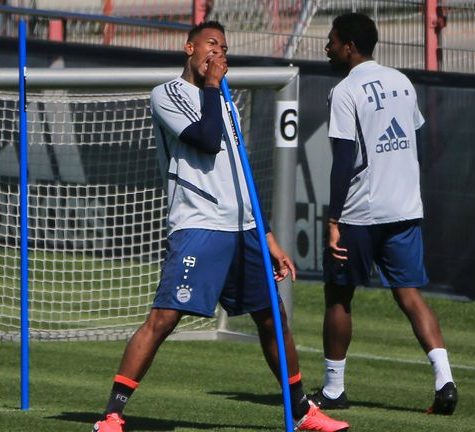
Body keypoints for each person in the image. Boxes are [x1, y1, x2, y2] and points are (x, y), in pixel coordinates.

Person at [92, 21, 350, 432]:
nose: (218, 52)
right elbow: (206, 139)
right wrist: (213, 86)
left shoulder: (225, 101)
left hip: (242, 228)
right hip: (199, 224)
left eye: (224, 47)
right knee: (164, 318)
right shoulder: (169, 94)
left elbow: (238, 174)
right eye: (211, 44)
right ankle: (112, 414)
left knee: (272, 317)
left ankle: (302, 412)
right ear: (188, 47)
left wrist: (267, 236)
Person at [311, 13, 458, 415]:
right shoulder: (402, 81)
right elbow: (414, 144)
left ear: (349, 47)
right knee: (410, 295)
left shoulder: (344, 91)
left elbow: (342, 162)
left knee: (339, 297)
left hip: (360, 212)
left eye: (331, 40)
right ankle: (445, 381)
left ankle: (334, 389)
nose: (327, 47)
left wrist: (333, 220)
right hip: (405, 208)